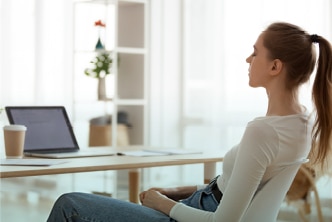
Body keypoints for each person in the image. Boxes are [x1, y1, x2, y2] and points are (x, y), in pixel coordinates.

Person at [47, 22, 332, 222]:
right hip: (196, 205)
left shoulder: (263, 131)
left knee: (69, 204)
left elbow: (224, 219)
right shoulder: (302, 123)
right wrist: (172, 193)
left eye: (255, 52)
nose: (248, 59)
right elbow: (232, 190)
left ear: (275, 66)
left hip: (193, 216)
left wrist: (163, 204)